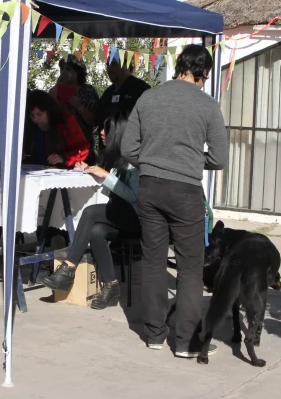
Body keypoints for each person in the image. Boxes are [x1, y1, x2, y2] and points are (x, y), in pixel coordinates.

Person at [121, 44, 228, 358]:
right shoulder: (207, 105)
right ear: (202, 74)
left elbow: (128, 149)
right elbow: (220, 158)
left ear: (178, 65)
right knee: (190, 268)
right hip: (186, 192)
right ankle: (184, 342)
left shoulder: (148, 97)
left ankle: (153, 335)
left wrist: (153, 160)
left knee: (153, 262)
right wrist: (193, 160)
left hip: (150, 187)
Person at [41, 109, 139, 309]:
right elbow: (111, 185)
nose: (101, 133)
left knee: (91, 212)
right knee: (95, 231)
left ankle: (68, 269)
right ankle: (111, 288)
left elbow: (133, 196)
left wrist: (106, 176)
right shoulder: (114, 156)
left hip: (139, 220)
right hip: (121, 217)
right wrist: (87, 170)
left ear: (119, 132)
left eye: (106, 129)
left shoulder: (134, 159)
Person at [50, 55, 100, 163]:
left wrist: (79, 107)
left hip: (84, 149)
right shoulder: (56, 90)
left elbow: (94, 120)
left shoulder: (88, 91)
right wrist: (57, 89)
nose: (64, 72)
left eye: (68, 69)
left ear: (78, 72)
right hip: (60, 148)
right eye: (62, 68)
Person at [24, 89, 90, 168]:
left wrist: (63, 157)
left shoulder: (65, 120)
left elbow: (83, 148)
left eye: (39, 114)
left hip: (60, 174)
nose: (36, 119)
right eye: (32, 115)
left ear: (49, 111)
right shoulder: (27, 124)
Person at [97, 56, 150, 124]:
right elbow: (99, 118)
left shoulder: (141, 88)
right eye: (108, 65)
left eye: (113, 64)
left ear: (126, 66)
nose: (109, 69)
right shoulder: (108, 93)